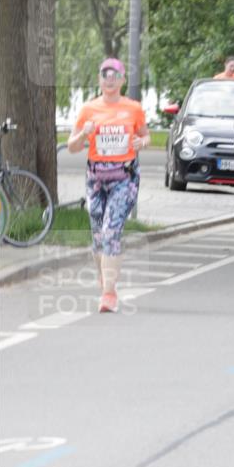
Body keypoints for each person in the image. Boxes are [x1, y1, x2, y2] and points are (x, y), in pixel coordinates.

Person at [67, 58, 150, 313]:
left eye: (115, 74)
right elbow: (72, 147)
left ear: (123, 80)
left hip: (124, 178)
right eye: (105, 74)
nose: (110, 78)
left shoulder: (133, 108)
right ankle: (105, 276)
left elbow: (145, 135)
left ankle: (108, 294)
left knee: (112, 230)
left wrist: (142, 143)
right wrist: (83, 134)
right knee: (97, 236)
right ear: (99, 79)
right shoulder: (89, 109)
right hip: (95, 178)